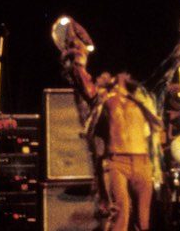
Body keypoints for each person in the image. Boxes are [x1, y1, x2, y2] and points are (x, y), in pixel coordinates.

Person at [62, 39, 164, 231]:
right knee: (121, 215)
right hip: (117, 162)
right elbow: (84, 85)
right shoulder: (105, 99)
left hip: (143, 163)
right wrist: (78, 61)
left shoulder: (141, 100)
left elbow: (163, 74)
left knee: (144, 222)